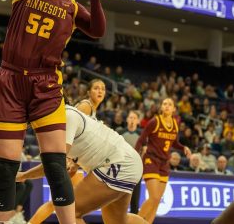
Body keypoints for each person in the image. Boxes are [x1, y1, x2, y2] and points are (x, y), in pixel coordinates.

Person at [0, 0, 106, 224]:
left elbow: (97, 31)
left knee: (56, 165)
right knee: (6, 167)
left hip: (45, 87)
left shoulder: (73, 7)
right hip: (11, 81)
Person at [17, 105, 146, 224]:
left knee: (70, 211)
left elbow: (55, 163)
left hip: (117, 163)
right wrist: (75, 163)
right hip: (127, 161)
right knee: (119, 222)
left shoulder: (68, 115)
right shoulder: (62, 117)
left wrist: (23, 176)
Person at [28, 80, 106, 224]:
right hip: (68, 159)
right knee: (63, 203)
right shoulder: (85, 106)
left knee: (67, 204)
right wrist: (70, 160)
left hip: (72, 160)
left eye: (102, 89)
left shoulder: (91, 109)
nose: (100, 91)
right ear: (89, 92)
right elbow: (70, 130)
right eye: (96, 88)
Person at [135, 98, 191, 224]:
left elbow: (174, 143)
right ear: (161, 107)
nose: (167, 106)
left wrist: (183, 148)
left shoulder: (175, 124)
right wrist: (135, 155)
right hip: (151, 160)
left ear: (174, 109)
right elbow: (141, 139)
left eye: (170, 104)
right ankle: (134, 221)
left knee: (157, 200)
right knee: (154, 197)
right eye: (164, 104)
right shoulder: (155, 121)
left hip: (164, 164)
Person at [122, 110, 142, 214]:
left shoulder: (141, 135)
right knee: (121, 201)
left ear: (138, 121)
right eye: (130, 117)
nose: (132, 120)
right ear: (126, 119)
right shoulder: (120, 132)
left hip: (136, 171)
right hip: (122, 171)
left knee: (134, 202)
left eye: (134, 118)